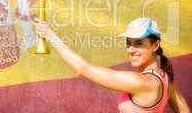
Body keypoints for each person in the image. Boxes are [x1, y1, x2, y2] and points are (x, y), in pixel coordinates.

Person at [34, 17, 191, 113]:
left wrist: (50, 35)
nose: (131, 50)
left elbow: (83, 69)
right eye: (128, 44)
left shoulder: (141, 82)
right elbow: (184, 110)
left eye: (138, 44)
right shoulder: (165, 78)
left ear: (155, 45)